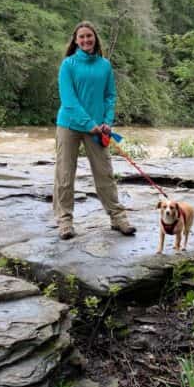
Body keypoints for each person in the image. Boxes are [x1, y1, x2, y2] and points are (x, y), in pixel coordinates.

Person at [53, 21, 137, 240]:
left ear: (95, 38)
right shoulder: (68, 65)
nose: (85, 40)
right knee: (64, 175)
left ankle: (118, 218)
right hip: (69, 126)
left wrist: (107, 121)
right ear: (75, 40)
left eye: (89, 36)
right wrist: (89, 123)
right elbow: (69, 100)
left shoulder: (104, 66)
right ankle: (64, 222)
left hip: (98, 128)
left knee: (105, 173)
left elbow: (110, 96)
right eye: (81, 37)